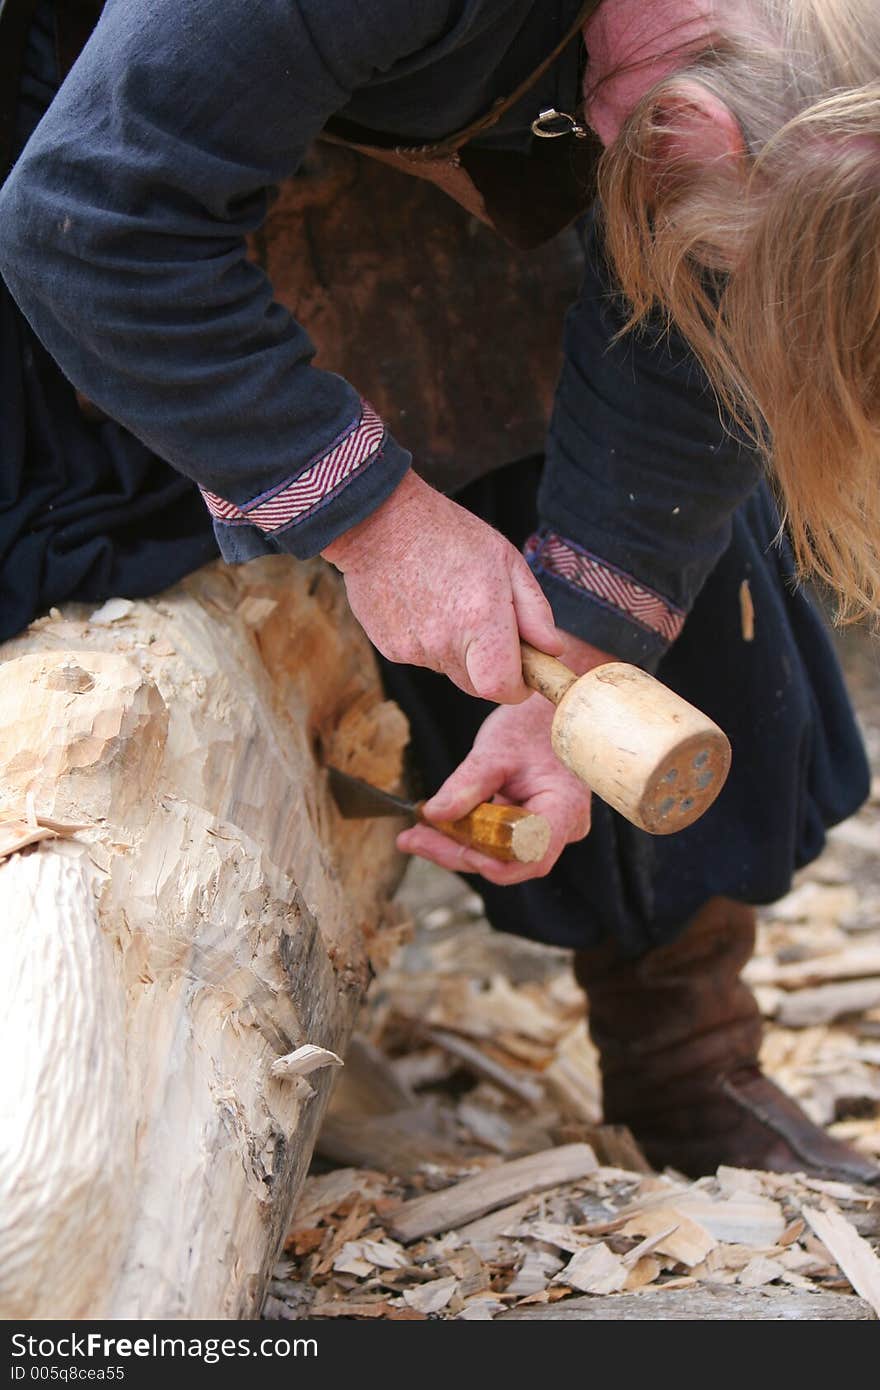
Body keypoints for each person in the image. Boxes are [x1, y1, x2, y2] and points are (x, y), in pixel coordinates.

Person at [0, 0, 877, 1181]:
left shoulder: (798, 84)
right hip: (108, 120)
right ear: (686, 131)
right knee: (116, 539)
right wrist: (374, 521)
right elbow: (91, 219)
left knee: (659, 527)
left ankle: (687, 1052)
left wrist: (585, 653)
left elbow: (689, 338)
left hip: (471, 88)